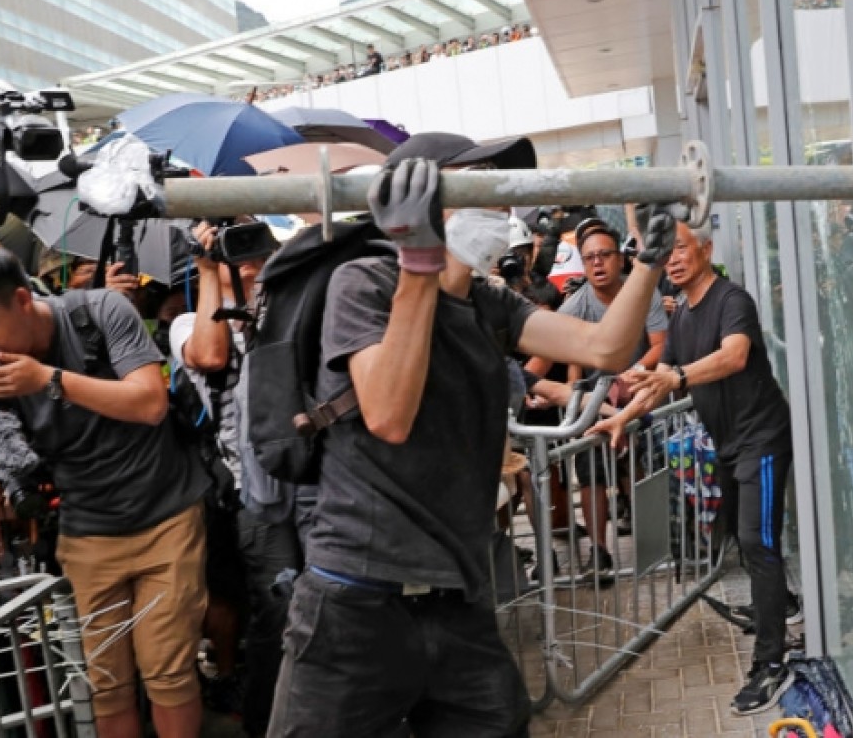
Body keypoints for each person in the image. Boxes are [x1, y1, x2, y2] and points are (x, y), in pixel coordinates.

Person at [268, 133, 678, 737]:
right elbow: (386, 414)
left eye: (500, 188)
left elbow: (605, 347)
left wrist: (649, 260)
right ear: (425, 201)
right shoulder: (365, 282)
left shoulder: (491, 304)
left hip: (455, 596)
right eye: (479, 183)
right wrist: (418, 264)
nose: (500, 207)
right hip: (354, 599)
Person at [0, 248, 208, 738]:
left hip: (166, 518)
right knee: (106, 684)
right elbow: (11, 466)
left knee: (168, 674)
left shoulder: (100, 311)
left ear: (22, 299)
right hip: (86, 536)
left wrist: (48, 379)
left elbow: (149, 402)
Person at [588, 217, 795, 715]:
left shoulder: (731, 300)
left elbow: (735, 355)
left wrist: (678, 376)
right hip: (726, 443)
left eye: (681, 248)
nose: (673, 259)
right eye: (667, 253)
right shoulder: (680, 312)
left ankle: (772, 660)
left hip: (761, 439)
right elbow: (660, 377)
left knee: (756, 541)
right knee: (741, 536)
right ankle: (779, 604)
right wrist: (624, 418)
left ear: (704, 249)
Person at [170, 219, 295, 738]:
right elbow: (211, 355)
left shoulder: (287, 310)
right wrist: (210, 273)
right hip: (255, 496)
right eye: (234, 254)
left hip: (313, 485)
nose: (247, 264)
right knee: (278, 611)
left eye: (256, 254)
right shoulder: (188, 323)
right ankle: (267, 723)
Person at [528, 216, 668, 574]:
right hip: (596, 405)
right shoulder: (576, 304)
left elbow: (660, 347)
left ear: (620, 259)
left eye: (604, 255)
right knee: (590, 473)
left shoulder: (642, 294)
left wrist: (631, 375)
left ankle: (656, 542)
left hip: (640, 398)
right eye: (589, 257)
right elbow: (546, 350)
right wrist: (520, 383)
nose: (597, 263)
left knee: (643, 466)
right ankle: (600, 552)